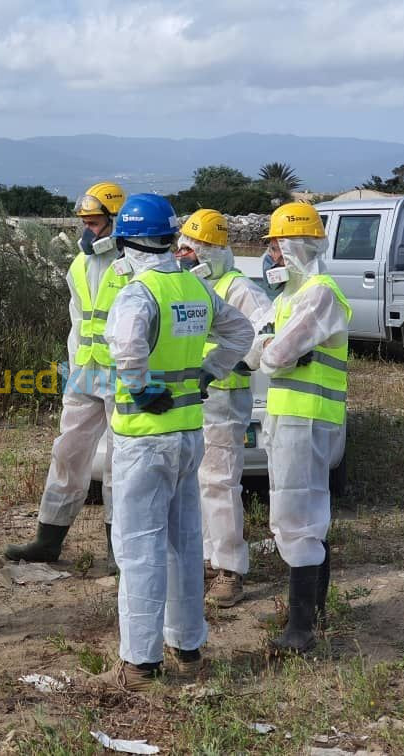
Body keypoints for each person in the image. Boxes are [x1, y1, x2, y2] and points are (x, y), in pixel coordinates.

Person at [96, 194, 254, 692]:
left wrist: (143, 390)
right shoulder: (195, 286)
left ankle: (140, 664)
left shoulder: (137, 293)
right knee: (185, 544)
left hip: (144, 440)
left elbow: (125, 349)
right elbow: (241, 331)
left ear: (125, 241)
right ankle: (187, 650)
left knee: (138, 548)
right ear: (169, 238)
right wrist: (208, 373)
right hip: (188, 437)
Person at [243, 202, 351, 655]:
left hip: (305, 420)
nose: (271, 255)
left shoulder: (319, 293)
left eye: (276, 246)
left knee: (296, 517)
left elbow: (273, 356)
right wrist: (269, 347)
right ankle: (312, 612)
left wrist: (271, 348)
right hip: (288, 418)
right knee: (305, 515)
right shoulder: (289, 296)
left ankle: (301, 628)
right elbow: (255, 348)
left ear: (299, 246)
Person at [3, 182, 127, 568]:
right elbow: (78, 321)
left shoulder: (133, 267)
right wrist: (73, 368)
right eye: (84, 223)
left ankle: (117, 550)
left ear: (115, 222)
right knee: (68, 453)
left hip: (123, 376)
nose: (87, 231)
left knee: (117, 464)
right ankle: (48, 538)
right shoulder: (79, 265)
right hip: (84, 373)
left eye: (93, 223)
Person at [174, 209, 272, 608]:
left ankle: (230, 569)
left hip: (224, 399)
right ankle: (206, 563)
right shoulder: (185, 287)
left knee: (219, 484)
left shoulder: (238, 288)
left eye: (191, 250)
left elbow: (262, 334)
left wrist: (229, 363)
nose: (183, 257)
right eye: (180, 248)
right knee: (195, 486)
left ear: (212, 251)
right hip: (193, 401)